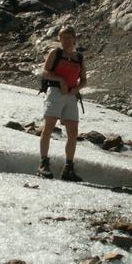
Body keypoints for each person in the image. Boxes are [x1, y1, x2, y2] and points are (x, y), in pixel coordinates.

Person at [38, 25, 87, 181]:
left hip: (71, 96)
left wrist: (76, 89)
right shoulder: (55, 53)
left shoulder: (78, 57)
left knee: (73, 132)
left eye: (68, 37)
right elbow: (45, 72)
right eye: (62, 38)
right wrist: (60, 80)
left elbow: (84, 80)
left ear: (74, 39)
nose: (65, 41)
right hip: (55, 92)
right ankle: (43, 163)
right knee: (49, 128)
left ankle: (68, 168)